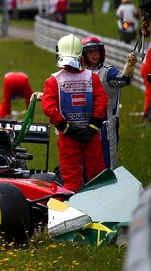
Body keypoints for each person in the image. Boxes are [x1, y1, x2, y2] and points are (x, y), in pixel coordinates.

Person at [41, 34, 108, 192]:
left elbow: (48, 107)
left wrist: (66, 128)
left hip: (68, 136)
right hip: (91, 134)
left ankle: (71, 213)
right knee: (97, 180)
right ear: (81, 54)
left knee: (71, 182)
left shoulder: (53, 81)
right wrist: (92, 127)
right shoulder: (93, 78)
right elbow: (101, 102)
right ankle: (100, 212)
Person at [81, 36, 137, 169]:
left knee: (107, 166)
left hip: (106, 127)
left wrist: (129, 65)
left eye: (97, 51)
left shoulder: (107, 72)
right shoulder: (80, 74)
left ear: (102, 53)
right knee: (86, 165)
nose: (94, 54)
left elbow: (123, 79)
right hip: (85, 126)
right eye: (90, 51)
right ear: (83, 55)